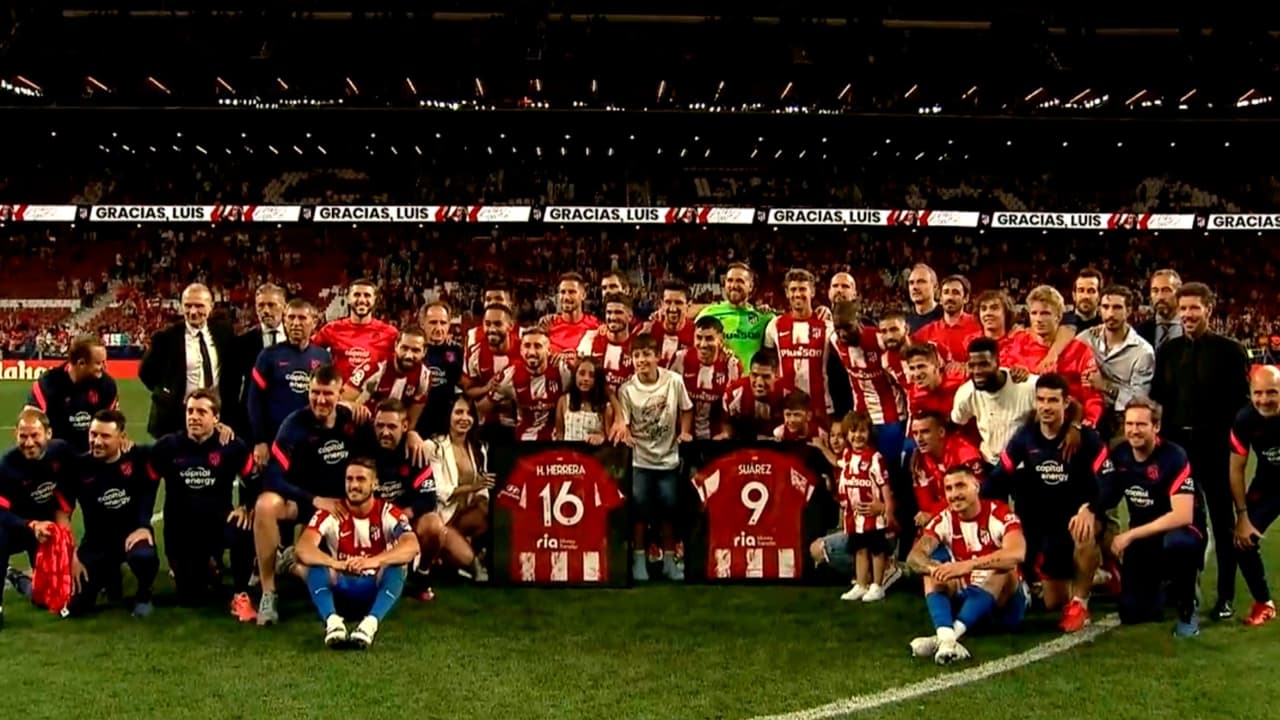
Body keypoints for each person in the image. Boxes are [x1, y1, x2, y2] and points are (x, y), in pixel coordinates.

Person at [1150, 281, 1250, 620]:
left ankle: (1225, 596)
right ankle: (1182, 591)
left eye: (1195, 308)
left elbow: (1241, 405)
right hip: (1178, 451)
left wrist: (1236, 446)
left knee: (1223, 524)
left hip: (1216, 448)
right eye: (1184, 308)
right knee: (1183, 521)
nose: (1189, 314)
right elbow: (1160, 401)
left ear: (1209, 308)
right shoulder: (1169, 351)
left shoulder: (1231, 351)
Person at [253, 365, 376, 626]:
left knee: (343, 584)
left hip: (342, 508)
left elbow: (372, 463)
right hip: (304, 503)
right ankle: (268, 592)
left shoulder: (353, 421)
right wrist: (313, 499)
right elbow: (272, 477)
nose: (320, 400)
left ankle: (291, 562)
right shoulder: (294, 425)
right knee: (265, 505)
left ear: (340, 394)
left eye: (327, 394)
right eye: (315, 392)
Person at [985, 374, 1107, 632]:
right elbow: (999, 475)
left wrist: (1091, 509)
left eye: (1053, 400)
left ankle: (1081, 603)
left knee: (1084, 533)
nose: (1046, 406)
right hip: (1046, 524)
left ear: (1066, 403)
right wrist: (974, 503)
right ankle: (1094, 576)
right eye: (1041, 400)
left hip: (1078, 517)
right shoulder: (1025, 437)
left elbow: (1110, 482)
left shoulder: (1086, 438)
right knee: (1052, 602)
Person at [1085, 397, 1206, 637]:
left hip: (1182, 531)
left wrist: (1130, 535)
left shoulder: (1174, 456)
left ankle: (1188, 608)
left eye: (1141, 424)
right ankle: (1167, 587)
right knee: (1132, 612)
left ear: (1156, 427)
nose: (1134, 430)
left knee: (1177, 544)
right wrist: (1087, 510)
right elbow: (1107, 494)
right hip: (1143, 535)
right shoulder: (1120, 455)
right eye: (1130, 424)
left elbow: (1182, 515)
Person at [147, 389, 256, 620]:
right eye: (190, 411)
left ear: (216, 418)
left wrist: (246, 506)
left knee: (243, 527)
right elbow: (147, 485)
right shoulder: (167, 447)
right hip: (181, 530)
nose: (194, 417)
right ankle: (206, 567)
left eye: (201, 412)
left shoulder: (232, 447)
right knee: (190, 598)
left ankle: (241, 593)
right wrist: (142, 524)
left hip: (219, 523)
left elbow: (254, 480)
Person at [906, 466, 1029, 664]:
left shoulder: (999, 513)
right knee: (932, 571)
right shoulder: (944, 519)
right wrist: (934, 569)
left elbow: (1017, 553)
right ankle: (947, 639)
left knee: (1002, 570)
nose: (954, 494)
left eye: (960, 486)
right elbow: (914, 557)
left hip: (1003, 607)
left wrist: (968, 565)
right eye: (949, 488)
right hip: (966, 597)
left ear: (976, 486)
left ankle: (945, 638)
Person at [295, 458, 419, 649]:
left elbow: (412, 546)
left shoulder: (388, 512)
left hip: (374, 590)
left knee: (398, 564)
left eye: (360, 479)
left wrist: (373, 561)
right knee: (314, 563)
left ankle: (369, 625)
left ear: (374, 484)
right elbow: (304, 548)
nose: (353, 485)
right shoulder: (331, 512)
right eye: (349, 479)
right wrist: (336, 564)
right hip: (340, 589)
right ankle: (333, 623)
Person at [64, 410, 160, 618]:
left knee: (144, 557)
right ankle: (109, 575)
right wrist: (71, 552)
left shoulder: (139, 457)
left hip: (132, 536)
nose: (97, 441)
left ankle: (144, 594)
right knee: (75, 606)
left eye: (105, 436)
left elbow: (174, 445)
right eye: (93, 434)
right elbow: (63, 512)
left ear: (122, 437)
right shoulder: (79, 467)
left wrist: (144, 526)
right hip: (97, 543)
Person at [615, 333, 694, 581]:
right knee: (639, 513)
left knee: (669, 513)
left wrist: (684, 431)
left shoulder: (674, 381)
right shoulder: (626, 390)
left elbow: (687, 409)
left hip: (668, 460)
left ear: (657, 356)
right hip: (640, 461)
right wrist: (626, 434)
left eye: (647, 354)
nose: (641, 360)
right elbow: (625, 422)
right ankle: (639, 562)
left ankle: (670, 561)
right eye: (636, 355)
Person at [0, 409, 78, 625]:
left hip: (46, 530)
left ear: (48, 434)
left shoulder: (62, 452)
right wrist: (31, 525)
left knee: (50, 598)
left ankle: (20, 579)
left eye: (35, 435)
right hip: (15, 528)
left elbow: (76, 479)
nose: (29, 443)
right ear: (15, 435)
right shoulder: (7, 465)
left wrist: (63, 515)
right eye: (23, 436)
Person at [810, 411, 894, 602]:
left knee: (876, 550)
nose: (858, 436)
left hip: (873, 515)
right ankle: (861, 584)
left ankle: (877, 585)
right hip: (854, 517)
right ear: (848, 434)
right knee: (859, 549)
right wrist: (822, 447)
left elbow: (885, 486)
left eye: (862, 431)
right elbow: (835, 462)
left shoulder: (875, 458)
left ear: (869, 433)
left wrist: (887, 510)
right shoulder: (847, 455)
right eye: (853, 432)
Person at [139, 283, 236, 437]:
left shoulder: (224, 333)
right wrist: (167, 393)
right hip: (174, 421)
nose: (193, 312)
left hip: (214, 419)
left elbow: (231, 376)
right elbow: (146, 373)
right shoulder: (166, 337)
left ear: (210, 306)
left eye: (199, 306)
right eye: (188, 306)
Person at [247, 299, 332, 459]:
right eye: (291, 318)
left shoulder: (323, 357)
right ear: (284, 322)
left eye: (302, 318)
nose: (295, 323)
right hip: (276, 439)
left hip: (312, 438)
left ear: (314, 322)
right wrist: (260, 440)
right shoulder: (268, 355)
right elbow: (254, 400)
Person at [1228, 365, 1280, 626]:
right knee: (1242, 540)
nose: (1264, 399)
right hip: (1270, 484)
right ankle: (1264, 603)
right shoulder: (1245, 419)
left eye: (1272, 392)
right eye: (1258, 393)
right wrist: (1242, 516)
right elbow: (1236, 469)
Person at [423, 397, 494, 581]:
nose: (464, 418)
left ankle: (460, 555)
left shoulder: (478, 448)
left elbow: (482, 488)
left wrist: (482, 499)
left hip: (465, 514)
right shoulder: (434, 446)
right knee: (468, 559)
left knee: (492, 513)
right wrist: (472, 487)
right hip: (442, 517)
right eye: (458, 412)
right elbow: (439, 491)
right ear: (449, 415)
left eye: (469, 414)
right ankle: (461, 559)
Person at [1077, 285, 1154, 439]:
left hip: (1122, 419)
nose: (1110, 313)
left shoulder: (1143, 351)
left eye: (1117, 307)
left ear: (1129, 310)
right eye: (1105, 307)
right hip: (1086, 412)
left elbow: (1138, 400)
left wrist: (1104, 386)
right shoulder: (1086, 338)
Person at [950, 337, 1036, 468]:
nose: (977, 371)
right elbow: (956, 423)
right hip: (991, 463)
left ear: (997, 362)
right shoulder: (966, 393)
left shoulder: (1027, 386)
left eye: (984, 364)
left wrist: (1070, 429)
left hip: (1026, 464)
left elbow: (1063, 402)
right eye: (972, 365)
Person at [24, 335, 118, 452]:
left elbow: (113, 425)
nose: (104, 367)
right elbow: (28, 422)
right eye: (98, 363)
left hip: (91, 456)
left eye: (104, 362)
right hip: (53, 455)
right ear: (81, 363)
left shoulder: (107, 385)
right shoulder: (48, 383)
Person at [311, 278, 399, 400]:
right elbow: (309, 352)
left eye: (367, 295)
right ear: (348, 298)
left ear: (375, 299)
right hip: (338, 399)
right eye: (357, 295)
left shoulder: (390, 333)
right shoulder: (332, 329)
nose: (362, 300)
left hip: (373, 401)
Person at [763, 268, 833, 420]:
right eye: (793, 289)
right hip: (786, 408)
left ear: (812, 292)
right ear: (787, 293)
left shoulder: (827, 326)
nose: (797, 294)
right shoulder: (774, 325)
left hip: (821, 406)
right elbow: (768, 363)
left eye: (802, 289)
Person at [227, 283, 287, 438]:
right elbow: (230, 387)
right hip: (251, 423)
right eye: (261, 306)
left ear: (284, 307)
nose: (265, 310)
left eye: (271, 305)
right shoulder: (241, 343)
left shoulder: (296, 340)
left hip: (287, 418)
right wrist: (229, 422)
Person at [695, 262, 774, 368]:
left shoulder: (763, 317)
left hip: (750, 378)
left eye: (740, 281)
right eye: (730, 280)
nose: (733, 286)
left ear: (750, 286)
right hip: (719, 377)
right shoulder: (709, 313)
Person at [415, 301, 464, 437]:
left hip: (446, 427)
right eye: (433, 322)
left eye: (443, 323)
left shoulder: (457, 352)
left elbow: (464, 385)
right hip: (417, 424)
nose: (438, 328)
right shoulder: (413, 350)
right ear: (422, 324)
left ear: (449, 325)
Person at [914, 274, 981, 361]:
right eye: (946, 292)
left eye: (955, 292)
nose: (950, 297)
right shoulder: (925, 333)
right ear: (940, 299)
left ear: (966, 298)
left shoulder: (979, 325)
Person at [555, 357, 611, 443]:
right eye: (582, 373)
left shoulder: (606, 407)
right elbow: (560, 435)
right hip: (569, 450)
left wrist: (601, 438)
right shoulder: (563, 401)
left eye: (591, 375)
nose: (586, 379)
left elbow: (609, 438)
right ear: (575, 375)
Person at [1135, 269, 1183, 350]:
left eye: (1166, 290)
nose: (1160, 297)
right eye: (1155, 291)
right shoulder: (1138, 332)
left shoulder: (1192, 329)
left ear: (1179, 293)